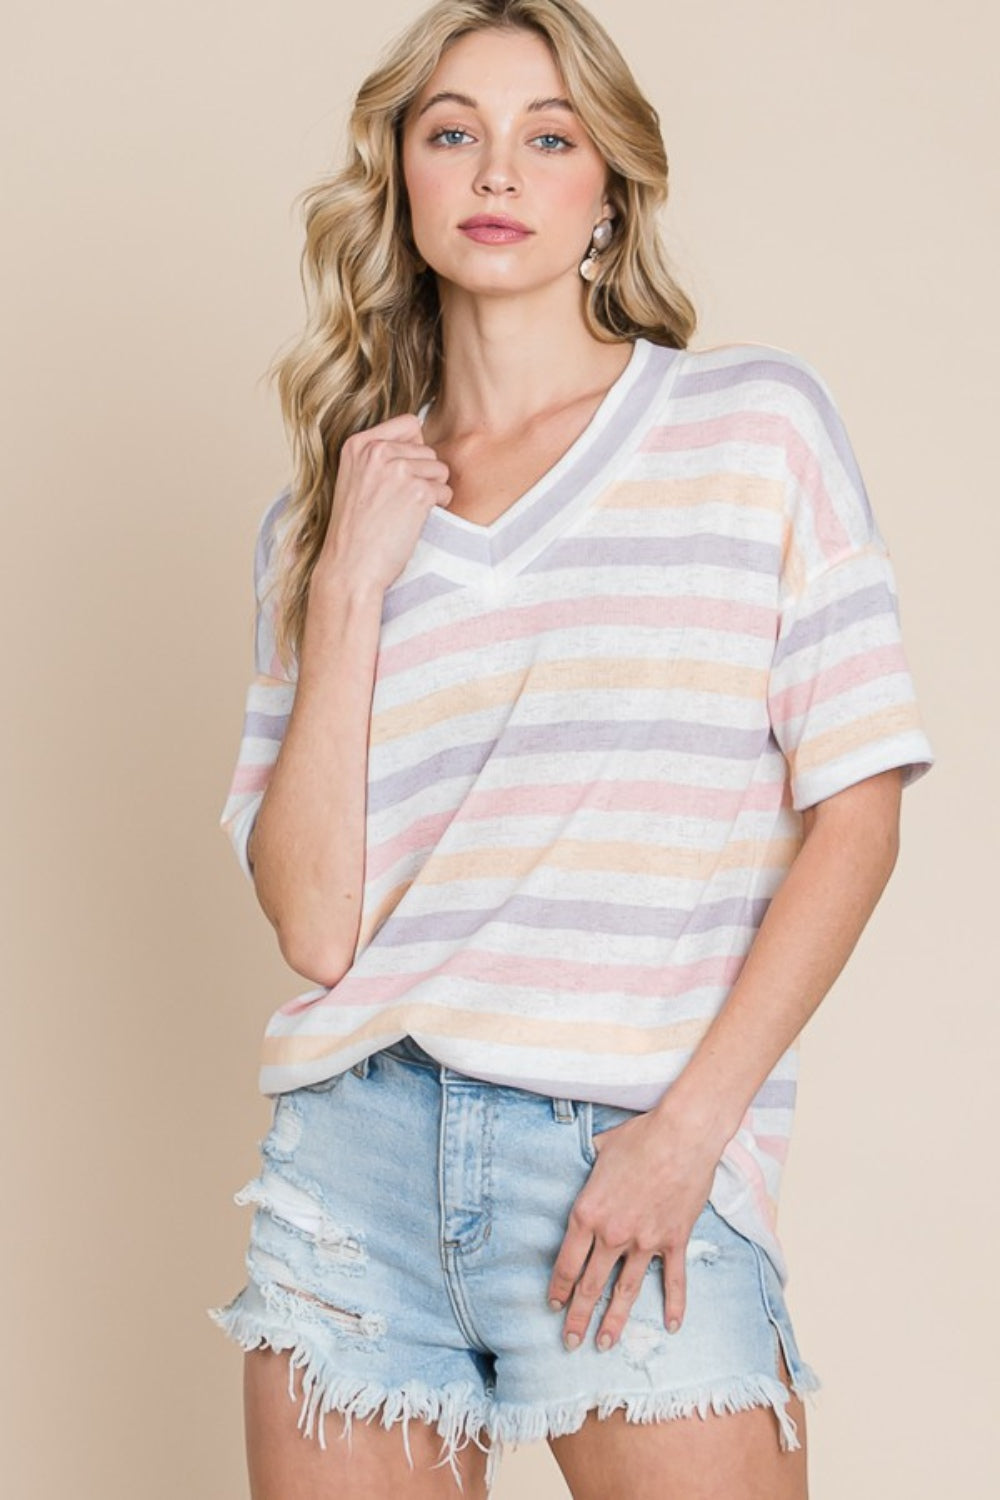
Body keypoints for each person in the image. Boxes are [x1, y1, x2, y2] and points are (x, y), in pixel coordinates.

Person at [207, 3, 935, 1497]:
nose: (498, 170)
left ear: (609, 191)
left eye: (549, 137)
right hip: (355, 1160)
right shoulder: (326, 517)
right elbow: (316, 927)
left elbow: (858, 813)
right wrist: (346, 586)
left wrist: (689, 1133)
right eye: (452, 131)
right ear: (401, 176)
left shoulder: (750, 428)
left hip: (630, 1145)